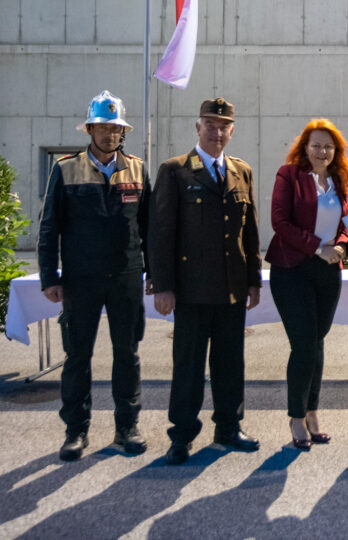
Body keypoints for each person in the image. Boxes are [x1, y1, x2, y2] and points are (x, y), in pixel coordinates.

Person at [37, 91, 150, 461]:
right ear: (89, 129)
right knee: (77, 356)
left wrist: (155, 274)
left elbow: (150, 228)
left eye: (115, 128)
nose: (109, 134)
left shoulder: (137, 169)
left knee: (127, 354)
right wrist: (49, 277)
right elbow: (49, 228)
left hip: (126, 276)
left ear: (122, 131)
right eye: (102, 127)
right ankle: (76, 430)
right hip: (80, 279)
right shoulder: (65, 169)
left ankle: (127, 427)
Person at [149, 97, 263, 465]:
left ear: (232, 130)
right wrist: (162, 285)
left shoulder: (241, 171)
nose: (217, 132)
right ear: (198, 128)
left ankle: (229, 427)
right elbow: (160, 232)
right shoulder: (175, 170)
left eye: (223, 126)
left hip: (232, 288)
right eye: (210, 125)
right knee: (188, 367)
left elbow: (250, 232)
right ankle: (181, 435)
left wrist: (253, 280)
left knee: (230, 364)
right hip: (191, 290)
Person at [265, 119, 348, 450]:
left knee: (317, 341)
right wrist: (318, 247)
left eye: (328, 146)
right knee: (303, 344)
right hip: (292, 269)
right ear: (305, 147)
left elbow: (345, 222)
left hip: (328, 271)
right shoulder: (288, 175)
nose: (322, 151)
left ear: (336, 151)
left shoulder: (338, 180)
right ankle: (296, 417)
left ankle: (312, 412)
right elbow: (280, 221)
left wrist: (341, 246)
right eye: (316, 145)